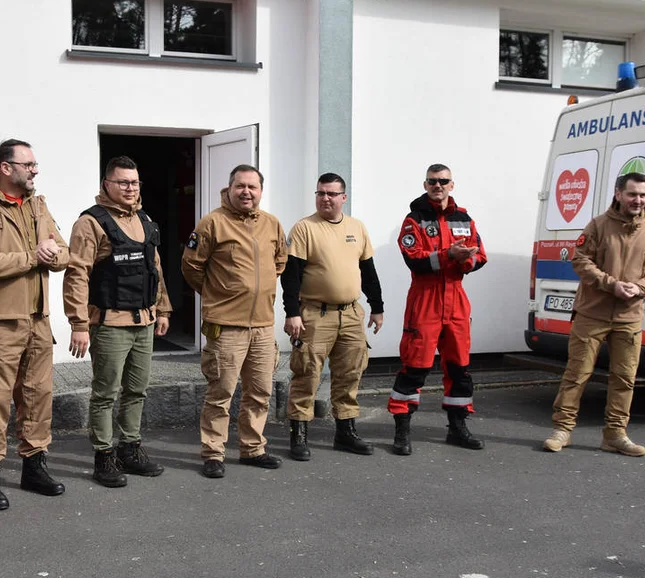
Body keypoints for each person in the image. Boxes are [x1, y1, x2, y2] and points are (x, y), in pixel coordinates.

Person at [0, 139, 69, 510]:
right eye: (29, 164)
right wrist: (31, 257)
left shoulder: (38, 205)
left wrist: (53, 257)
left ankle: (33, 467)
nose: (35, 170)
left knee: (38, 397)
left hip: (37, 319)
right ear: (6, 168)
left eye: (35, 163)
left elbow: (63, 251)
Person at [542, 173, 645, 456]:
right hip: (592, 313)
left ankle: (615, 435)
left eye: (642, 195)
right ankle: (562, 430)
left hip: (629, 316)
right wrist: (611, 284)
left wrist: (640, 287)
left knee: (624, 378)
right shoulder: (598, 226)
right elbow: (580, 260)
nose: (637, 200)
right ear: (618, 194)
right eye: (632, 194)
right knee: (577, 374)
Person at [64, 156, 172, 488]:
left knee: (137, 390)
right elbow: (77, 273)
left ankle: (130, 448)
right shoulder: (90, 222)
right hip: (109, 323)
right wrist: (79, 323)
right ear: (106, 184)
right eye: (123, 182)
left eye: (134, 182)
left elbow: (155, 268)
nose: (129, 188)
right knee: (105, 393)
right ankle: (104, 456)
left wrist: (163, 309)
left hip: (145, 322)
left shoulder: (145, 219)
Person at [182, 164, 288, 479]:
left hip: (262, 326)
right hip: (226, 327)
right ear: (229, 188)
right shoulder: (212, 223)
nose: (246, 192)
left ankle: (252, 448)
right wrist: (219, 294)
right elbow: (191, 267)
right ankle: (213, 453)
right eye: (240, 186)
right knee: (221, 392)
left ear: (260, 191)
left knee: (260, 391)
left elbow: (279, 260)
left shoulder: (272, 224)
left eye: (252, 187)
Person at [282, 172, 384, 460]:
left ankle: (345, 432)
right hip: (315, 314)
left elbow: (368, 270)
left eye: (331, 193)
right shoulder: (304, 228)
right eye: (320, 193)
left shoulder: (357, 228)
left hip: (351, 313)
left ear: (343, 197)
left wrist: (377, 307)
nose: (325, 198)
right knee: (307, 374)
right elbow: (291, 276)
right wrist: (292, 313)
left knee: (350, 373)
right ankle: (298, 435)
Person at [388, 164, 487, 454]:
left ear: (452, 184)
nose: (438, 185)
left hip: (456, 301)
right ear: (425, 184)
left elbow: (480, 256)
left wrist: (464, 260)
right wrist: (448, 255)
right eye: (433, 181)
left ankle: (457, 427)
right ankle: (402, 430)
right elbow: (414, 259)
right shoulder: (414, 220)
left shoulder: (464, 219)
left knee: (460, 369)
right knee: (415, 367)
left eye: (443, 181)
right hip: (425, 301)